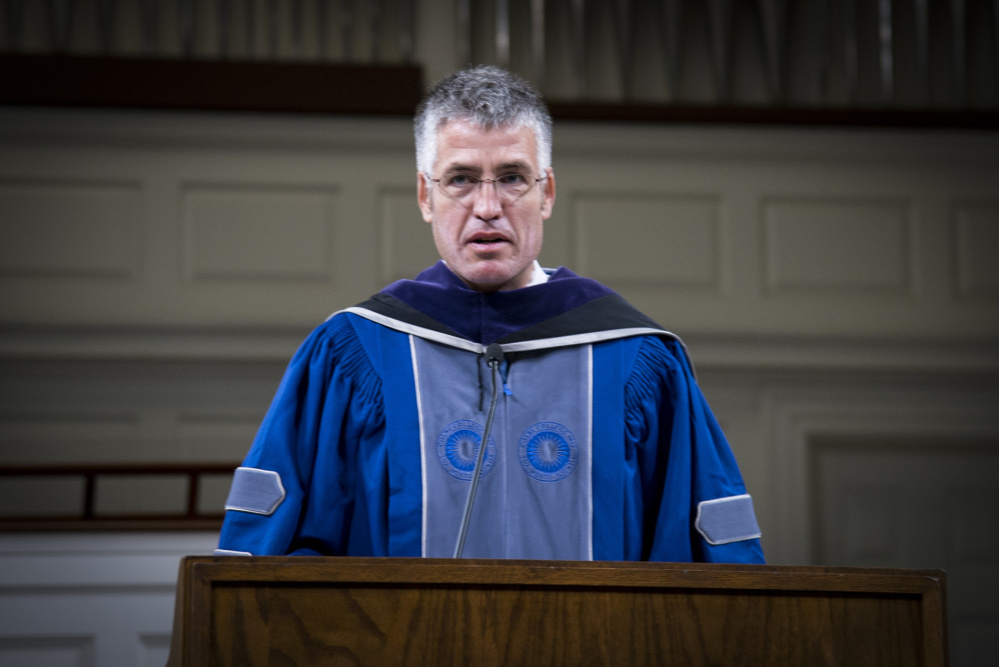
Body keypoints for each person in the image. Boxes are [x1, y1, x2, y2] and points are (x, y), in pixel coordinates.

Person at [215, 66, 764, 563]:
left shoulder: (634, 358)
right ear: (425, 196)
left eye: (511, 177)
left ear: (546, 192)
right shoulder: (354, 352)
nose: (486, 206)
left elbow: (705, 559)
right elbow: (269, 551)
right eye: (459, 179)